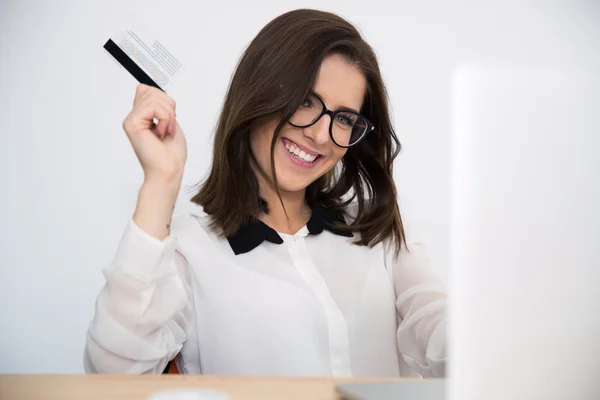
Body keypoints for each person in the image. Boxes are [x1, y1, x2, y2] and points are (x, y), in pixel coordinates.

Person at [84, 9, 447, 377]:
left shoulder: (377, 232)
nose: (320, 136)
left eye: (343, 118)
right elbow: (113, 375)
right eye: (305, 101)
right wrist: (161, 181)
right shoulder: (188, 248)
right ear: (258, 94)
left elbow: (444, 334)